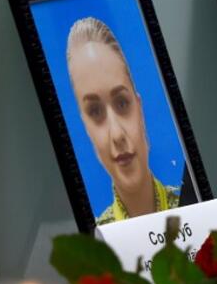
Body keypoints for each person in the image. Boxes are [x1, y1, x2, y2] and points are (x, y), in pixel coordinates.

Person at [65, 17, 180, 225]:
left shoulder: (192, 205)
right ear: (86, 128)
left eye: (122, 104)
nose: (117, 134)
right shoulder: (97, 246)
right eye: (95, 111)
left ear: (139, 109)